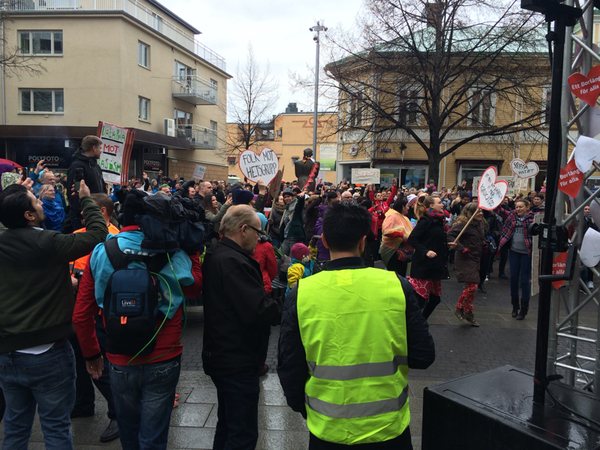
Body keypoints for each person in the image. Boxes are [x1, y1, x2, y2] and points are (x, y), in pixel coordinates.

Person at [277, 202, 435, 449]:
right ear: (363, 242)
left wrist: (307, 409)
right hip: (388, 429)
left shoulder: (301, 293)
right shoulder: (397, 286)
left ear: (325, 241)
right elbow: (423, 355)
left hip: (328, 431)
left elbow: (289, 366)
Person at [72, 190, 203, 449]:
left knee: (129, 431)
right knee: (154, 436)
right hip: (164, 354)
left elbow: (81, 314)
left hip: (119, 357)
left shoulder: (102, 251)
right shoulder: (172, 251)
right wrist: (193, 253)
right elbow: (194, 288)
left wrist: (91, 355)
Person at [0, 180, 108, 449]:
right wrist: (87, 201)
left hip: (7, 354)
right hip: (48, 354)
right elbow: (97, 234)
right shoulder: (47, 241)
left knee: (14, 426)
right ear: (29, 215)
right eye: (35, 200)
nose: (41, 202)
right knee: (56, 428)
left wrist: (10, 194)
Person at [202, 205, 282, 449]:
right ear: (243, 229)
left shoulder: (220, 253)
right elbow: (260, 310)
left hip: (224, 355)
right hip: (236, 359)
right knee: (242, 434)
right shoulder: (233, 261)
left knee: (227, 426)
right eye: (258, 233)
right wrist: (287, 302)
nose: (260, 239)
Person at [407, 195, 455, 319]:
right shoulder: (426, 220)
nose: (442, 204)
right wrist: (425, 251)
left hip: (435, 266)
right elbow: (412, 239)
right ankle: (413, 323)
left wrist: (446, 245)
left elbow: (433, 240)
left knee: (435, 299)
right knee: (421, 299)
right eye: (439, 202)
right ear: (431, 206)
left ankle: (422, 320)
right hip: (424, 267)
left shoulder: (439, 220)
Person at [447, 203, 487, 326]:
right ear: (470, 213)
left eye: (481, 211)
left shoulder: (478, 225)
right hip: (465, 259)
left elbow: (477, 239)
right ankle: (459, 308)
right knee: (473, 286)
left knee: (472, 287)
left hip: (475, 258)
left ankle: (468, 312)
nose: (480, 213)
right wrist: (460, 247)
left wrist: (484, 244)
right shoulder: (464, 225)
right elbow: (450, 235)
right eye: (477, 211)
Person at [496, 199, 535, 320]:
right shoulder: (511, 215)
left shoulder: (533, 219)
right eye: (517, 207)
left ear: (527, 207)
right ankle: (514, 306)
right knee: (513, 279)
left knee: (524, 281)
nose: (518, 209)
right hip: (514, 251)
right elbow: (499, 210)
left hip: (527, 253)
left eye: (521, 207)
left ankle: (524, 309)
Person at [67, 135, 106, 230]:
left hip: (96, 214)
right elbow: (74, 193)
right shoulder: (77, 166)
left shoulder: (96, 167)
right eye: (100, 148)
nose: (101, 151)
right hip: (83, 217)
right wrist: (82, 215)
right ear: (94, 148)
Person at [380, 196, 414, 277]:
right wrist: (402, 235)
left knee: (401, 274)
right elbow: (387, 231)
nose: (408, 208)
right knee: (395, 275)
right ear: (402, 207)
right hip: (392, 250)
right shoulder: (392, 216)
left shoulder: (403, 217)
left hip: (402, 249)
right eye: (407, 206)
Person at [281, 187, 306, 255]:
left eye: (288, 196)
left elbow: (299, 206)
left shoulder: (295, 205)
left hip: (295, 237)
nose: (286, 198)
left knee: (294, 258)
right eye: (285, 197)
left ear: (292, 197)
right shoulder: (286, 208)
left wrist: (301, 198)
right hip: (287, 237)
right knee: (279, 256)